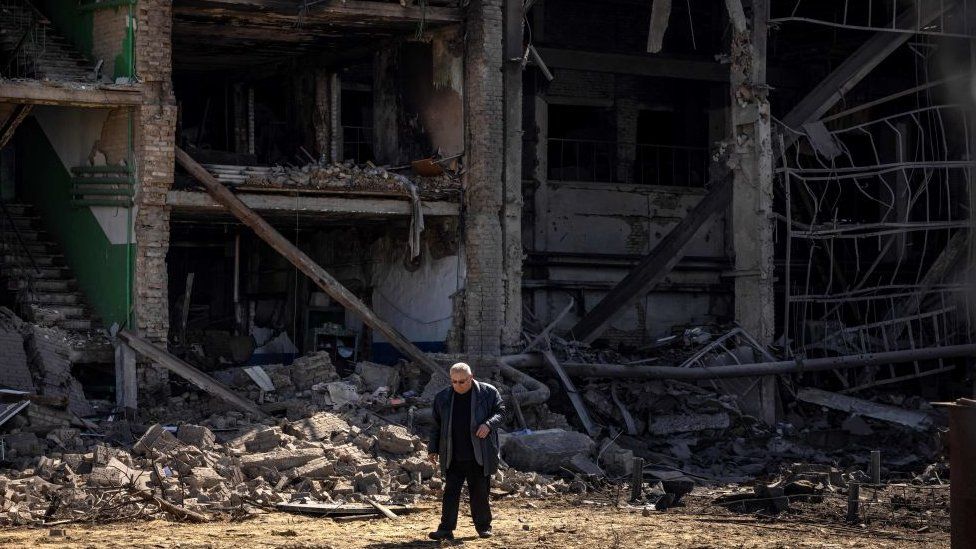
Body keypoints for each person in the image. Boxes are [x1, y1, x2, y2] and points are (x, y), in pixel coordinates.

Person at [427, 362, 505, 540]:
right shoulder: (443, 397)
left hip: (479, 453)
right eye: (454, 381)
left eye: (462, 381)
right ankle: (446, 529)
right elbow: (436, 426)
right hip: (453, 454)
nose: (458, 385)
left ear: (471, 378)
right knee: (450, 493)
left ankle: (484, 527)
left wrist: (488, 424)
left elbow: (501, 412)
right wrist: (433, 449)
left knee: (479, 493)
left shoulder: (488, 393)